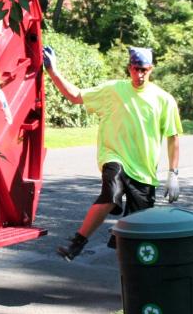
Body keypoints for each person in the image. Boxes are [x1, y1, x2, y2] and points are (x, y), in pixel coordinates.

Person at [43, 45, 182, 261]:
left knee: (136, 231)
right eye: (136, 69)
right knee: (110, 194)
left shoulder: (164, 100)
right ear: (129, 68)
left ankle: (128, 266)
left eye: (144, 69)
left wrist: (173, 173)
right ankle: (76, 244)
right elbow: (76, 96)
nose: (140, 74)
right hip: (114, 156)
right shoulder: (113, 90)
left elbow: (173, 137)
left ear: (151, 69)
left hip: (144, 170)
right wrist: (53, 70)